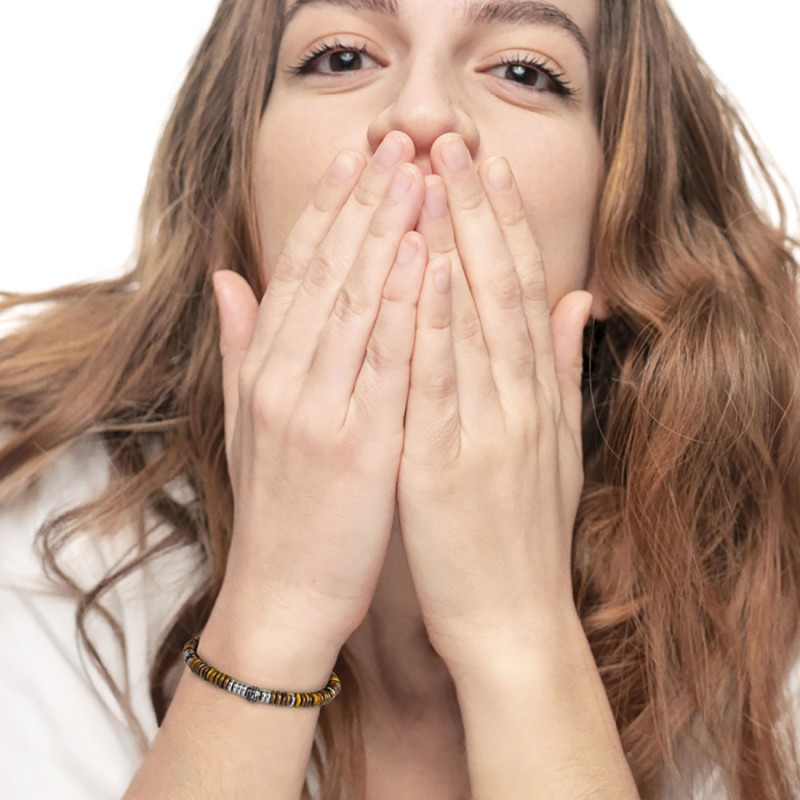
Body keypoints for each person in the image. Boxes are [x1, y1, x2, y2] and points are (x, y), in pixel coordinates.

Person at [1, 0, 799, 797]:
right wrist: (276, 616)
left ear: (622, 218)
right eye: (343, 57)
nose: (421, 114)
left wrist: (517, 635)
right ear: (233, 184)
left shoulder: (774, 583)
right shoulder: (35, 534)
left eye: (524, 71)